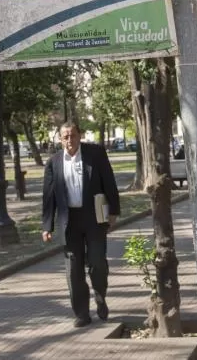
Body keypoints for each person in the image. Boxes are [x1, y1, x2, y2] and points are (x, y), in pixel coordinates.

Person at [42, 121, 121, 328]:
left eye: (73, 135)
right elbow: (48, 196)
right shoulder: (54, 162)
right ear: (60, 139)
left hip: (94, 216)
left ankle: (100, 296)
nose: (70, 140)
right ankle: (82, 313)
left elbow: (109, 181)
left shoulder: (95, 154)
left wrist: (113, 211)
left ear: (80, 136)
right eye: (65, 137)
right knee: (73, 270)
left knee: (97, 262)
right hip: (69, 221)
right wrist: (47, 226)